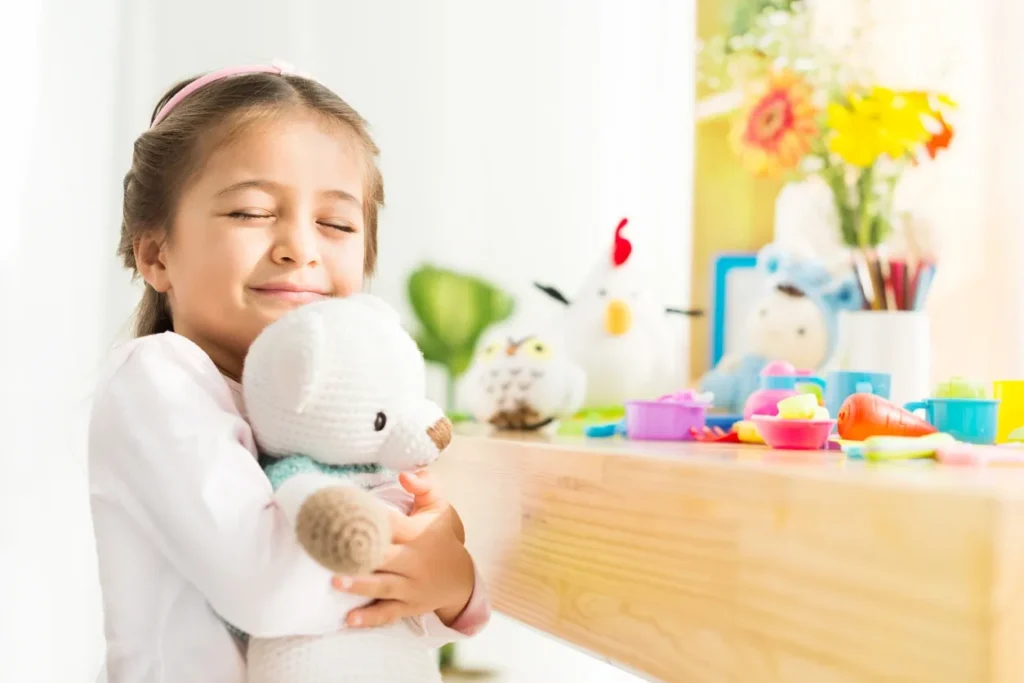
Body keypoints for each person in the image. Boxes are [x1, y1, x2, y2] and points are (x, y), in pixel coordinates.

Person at [88, 62, 489, 683]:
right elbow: (268, 585)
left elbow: (391, 631)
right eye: (250, 212)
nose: (300, 247)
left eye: (336, 224)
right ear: (156, 252)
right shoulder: (159, 381)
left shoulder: (344, 413)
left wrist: (450, 584)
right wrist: (410, 553)